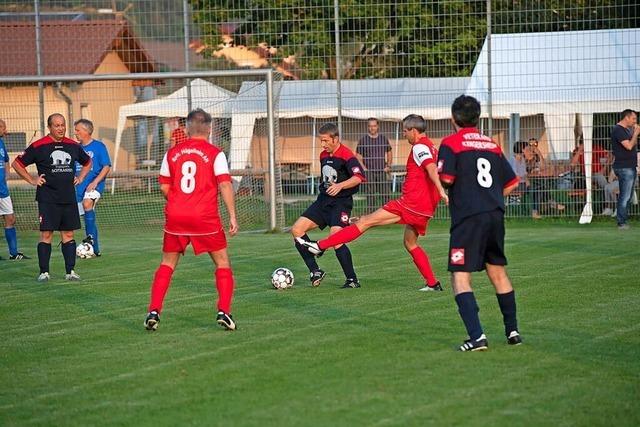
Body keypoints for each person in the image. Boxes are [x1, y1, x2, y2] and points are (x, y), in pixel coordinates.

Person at [297, 115, 448, 292]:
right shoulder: (432, 147)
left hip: (412, 204)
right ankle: (432, 283)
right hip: (425, 208)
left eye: (405, 131)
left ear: (413, 131)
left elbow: (431, 168)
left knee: (365, 222)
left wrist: (441, 191)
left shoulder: (419, 146)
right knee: (410, 243)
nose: (404, 135)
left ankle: (319, 246)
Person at [438, 95, 521, 351]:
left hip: (468, 218)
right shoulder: (492, 145)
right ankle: (513, 331)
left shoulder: (450, 143)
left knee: (459, 275)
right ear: (478, 117)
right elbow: (512, 183)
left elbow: (447, 179)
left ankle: (477, 337)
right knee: (497, 272)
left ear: (453, 119)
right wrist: (490, 197)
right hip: (495, 214)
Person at [144, 109, 239, 331]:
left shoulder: (172, 153)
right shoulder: (216, 154)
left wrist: (180, 201)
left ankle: (154, 311)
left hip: (176, 216)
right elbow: (225, 184)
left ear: (186, 128)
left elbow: (164, 186)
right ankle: (224, 311)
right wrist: (232, 215)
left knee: (167, 263)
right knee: (222, 262)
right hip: (204, 217)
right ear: (209, 128)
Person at [12, 114, 92, 282]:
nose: (60, 128)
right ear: (49, 127)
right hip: (47, 198)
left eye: (62, 125)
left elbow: (87, 162)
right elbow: (17, 164)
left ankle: (70, 272)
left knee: (68, 234)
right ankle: (44, 272)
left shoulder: (72, 145)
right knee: (46, 235)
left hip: (68, 197)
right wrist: (32, 179)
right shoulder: (39, 146)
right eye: (57, 125)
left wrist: (82, 177)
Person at [290, 122, 365, 289]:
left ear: (335, 139)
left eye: (325, 140)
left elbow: (358, 177)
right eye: (321, 140)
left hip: (341, 203)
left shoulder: (347, 155)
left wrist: (340, 185)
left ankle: (352, 280)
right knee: (296, 230)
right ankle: (315, 270)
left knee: (336, 238)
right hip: (323, 201)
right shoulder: (323, 155)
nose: (322, 144)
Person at [74, 119, 112, 256]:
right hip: (79, 189)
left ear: (86, 131)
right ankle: (95, 249)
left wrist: (95, 182)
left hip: (94, 186)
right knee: (85, 216)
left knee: (87, 203)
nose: (75, 133)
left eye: (78, 130)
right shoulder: (76, 148)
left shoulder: (99, 146)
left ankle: (89, 241)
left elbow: (106, 166)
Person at [0, 119, 30, 260]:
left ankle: (14, 253)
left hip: (3, 190)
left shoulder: (1, 143)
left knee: (10, 219)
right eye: (3, 127)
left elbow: (6, 160)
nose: (5, 130)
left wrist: (6, 174)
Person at [355, 118, 392, 212]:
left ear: (377, 126)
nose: (372, 128)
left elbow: (389, 152)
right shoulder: (363, 140)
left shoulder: (383, 138)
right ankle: (370, 214)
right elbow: (358, 156)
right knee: (371, 194)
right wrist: (364, 169)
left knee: (385, 194)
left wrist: (388, 166)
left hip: (382, 170)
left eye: (374, 126)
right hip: (369, 171)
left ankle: (386, 213)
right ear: (368, 127)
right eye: (370, 126)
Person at [610, 109, 639, 230]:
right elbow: (629, 146)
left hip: (629, 166)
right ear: (626, 118)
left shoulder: (627, 130)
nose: (635, 121)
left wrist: (633, 132)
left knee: (628, 195)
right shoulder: (618, 130)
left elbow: (633, 145)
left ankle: (623, 220)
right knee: (625, 196)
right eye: (633, 119)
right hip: (624, 167)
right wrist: (636, 133)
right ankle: (621, 222)